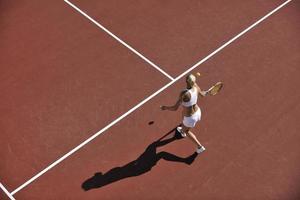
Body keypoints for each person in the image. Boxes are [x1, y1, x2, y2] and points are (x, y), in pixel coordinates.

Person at [160, 73, 207, 154]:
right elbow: (203, 94)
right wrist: (207, 92)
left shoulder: (184, 94)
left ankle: (200, 147)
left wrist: (165, 107)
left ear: (186, 81)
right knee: (183, 113)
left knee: (187, 131)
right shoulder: (195, 86)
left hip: (190, 118)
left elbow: (175, 108)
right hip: (198, 112)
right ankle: (182, 129)